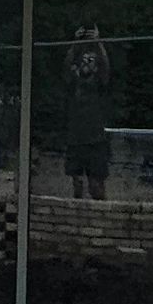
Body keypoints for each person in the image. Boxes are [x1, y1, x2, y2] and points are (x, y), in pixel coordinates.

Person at [63, 21, 112, 200]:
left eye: (91, 61)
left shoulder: (98, 84)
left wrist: (99, 43)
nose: (87, 65)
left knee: (96, 186)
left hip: (95, 139)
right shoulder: (74, 83)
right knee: (77, 184)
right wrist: (75, 43)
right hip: (75, 139)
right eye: (85, 61)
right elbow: (66, 67)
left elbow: (106, 67)